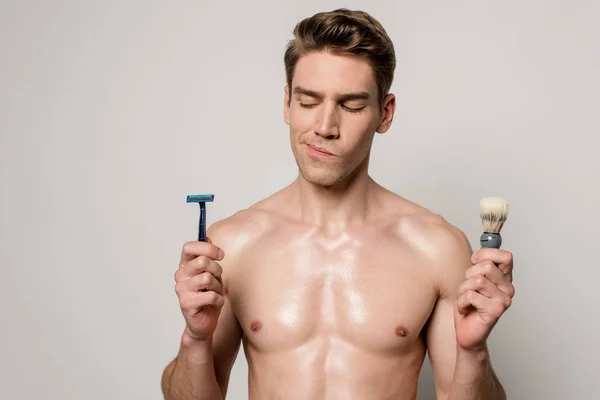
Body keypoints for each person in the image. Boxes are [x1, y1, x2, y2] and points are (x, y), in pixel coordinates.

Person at [161, 8, 515, 400]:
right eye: (309, 101)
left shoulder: (435, 247)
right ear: (287, 104)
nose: (325, 127)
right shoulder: (232, 245)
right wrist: (195, 338)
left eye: (350, 105)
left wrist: (473, 352)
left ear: (385, 113)